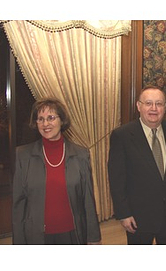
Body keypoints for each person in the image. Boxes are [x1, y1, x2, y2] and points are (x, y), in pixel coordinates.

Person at [108, 85, 166, 245]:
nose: (154, 108)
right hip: (138, 217)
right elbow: (116, 179)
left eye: (159, 104)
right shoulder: (122, 135)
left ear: (165, 107)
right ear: (139, 106)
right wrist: (123, 213)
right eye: (148, 103)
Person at [12, 98, 101, 245]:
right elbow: (18, 205)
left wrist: (93, 237)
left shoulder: (81, 154)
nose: (46, 124)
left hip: (72, 233)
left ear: (62, 120)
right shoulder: (23, 155)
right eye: (40, 119)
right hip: (36, 236)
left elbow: (88, 199)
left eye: (51, 118)